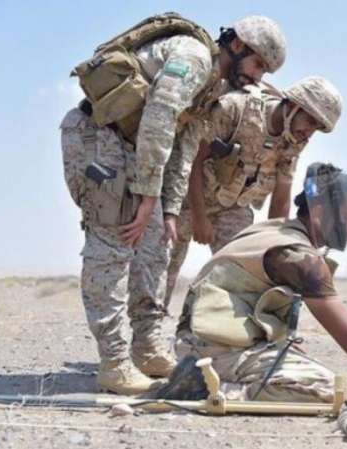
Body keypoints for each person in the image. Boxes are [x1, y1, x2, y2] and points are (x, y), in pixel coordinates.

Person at [60, 12, 287, 395]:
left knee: (156, 247)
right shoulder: (193, 58)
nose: (257, 77)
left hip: (134, 152)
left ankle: (147, 348)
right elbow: (158, 118)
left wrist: (168, 208)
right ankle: (114, 363)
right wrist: (149, 194)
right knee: (113, 245)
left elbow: (186, 144)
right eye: (258, 64)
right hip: (98, 138)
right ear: (237, 45)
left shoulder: (212, 86)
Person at [158, 163, 347, 403]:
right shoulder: (301, 257)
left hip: (198, 340)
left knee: (303, 365)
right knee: (326, 389)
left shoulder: (277, 230)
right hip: (212, 348)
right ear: (320, 211)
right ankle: (215, 389)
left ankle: (205, 374)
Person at [163, 76, 343, 309]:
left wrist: (275, 247)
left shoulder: (294, 141)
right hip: (188, 199)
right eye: (310, 121)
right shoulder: (235, 109)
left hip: (232, 208)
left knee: (245, 275)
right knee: (163, 270)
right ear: (293, 106)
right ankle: (150, 327)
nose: (309, 133)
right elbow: (194, 160)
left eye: (317, 128)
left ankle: (220, 326)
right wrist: (199, 217)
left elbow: (281, 197)